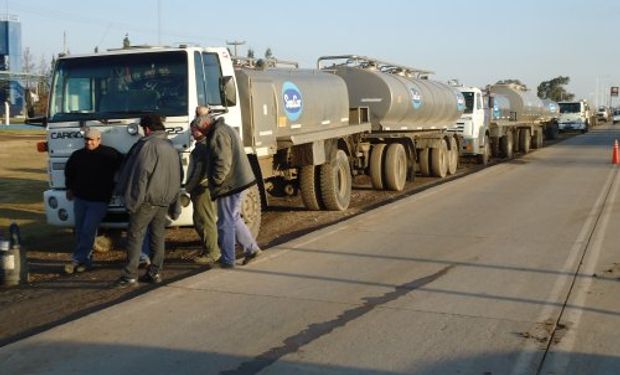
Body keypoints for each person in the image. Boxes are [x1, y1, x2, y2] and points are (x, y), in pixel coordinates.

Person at [114, 114, 182, 287]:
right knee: (157, 236)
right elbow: (178, 174)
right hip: (164, 199)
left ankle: (129, 275)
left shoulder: (148, 145)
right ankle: (155, 272)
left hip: (147, 199)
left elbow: (141, 176)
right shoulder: (170, 146)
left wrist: (133, 201)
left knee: (135, 235)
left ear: (147, 129)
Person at [191, 107, 260, 268]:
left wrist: (216, 180)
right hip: (239, 180)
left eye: (199, 130)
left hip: (231, 184)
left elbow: (223, 162)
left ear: (206, 125)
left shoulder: (218, 134)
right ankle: (251, 249)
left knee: (225, 222)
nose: (199, 134)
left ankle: (228, 259)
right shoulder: (223, 129)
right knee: (233, 218)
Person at [64, 127, 122, 273]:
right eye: (86, 140)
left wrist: (117, 185)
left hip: (99, 200)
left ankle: (78, 259)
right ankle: (85, 261)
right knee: (79, 230)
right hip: (81, 199)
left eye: (91, 140)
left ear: (98, 140)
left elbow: (126, 166)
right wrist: (69, 188)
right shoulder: (77, 155)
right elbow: (69, 172)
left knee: (88, 229)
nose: (88, 143)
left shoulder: (110, 154)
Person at [186, 106, 220, 268]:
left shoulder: (202, 149)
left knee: (205, 221)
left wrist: (188, 187)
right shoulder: (204, 145)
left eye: (194, 130)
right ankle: (209, 249)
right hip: (202, 188)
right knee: (200, 220)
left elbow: (198, 172)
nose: (192, 133)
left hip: (202, 189)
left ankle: (213, 252)